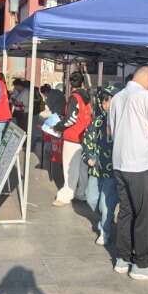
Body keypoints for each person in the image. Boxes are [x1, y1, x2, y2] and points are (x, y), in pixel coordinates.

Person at [109, 65, 148, 280]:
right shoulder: (145, 96)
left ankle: (122, 259)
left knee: (125, 212)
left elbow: (110, 130)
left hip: (119, 162)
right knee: (144, 214)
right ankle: (142, 264)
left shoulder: (117, 97)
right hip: (139, 163)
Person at [82, 84, 118, 245]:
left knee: (105, 203)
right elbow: (87, 140)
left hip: (112, 170)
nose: (106, 104)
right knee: (91, 198)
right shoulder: (96, 121)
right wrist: (88, 157)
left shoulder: (121, 122)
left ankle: (105, 231)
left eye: (109, 101)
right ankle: (106, 219)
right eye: (104, 101)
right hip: (96, 168)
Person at [52, 72, 92, 207]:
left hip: (72, 137)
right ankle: (82, 193)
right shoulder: (86, 97)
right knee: (82, 168)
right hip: (84, 136)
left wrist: (58, 126)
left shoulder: (74, 97)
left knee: (70, 168)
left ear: (70, 83)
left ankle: (65, 196)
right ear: (82, 82)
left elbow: (71, 119)